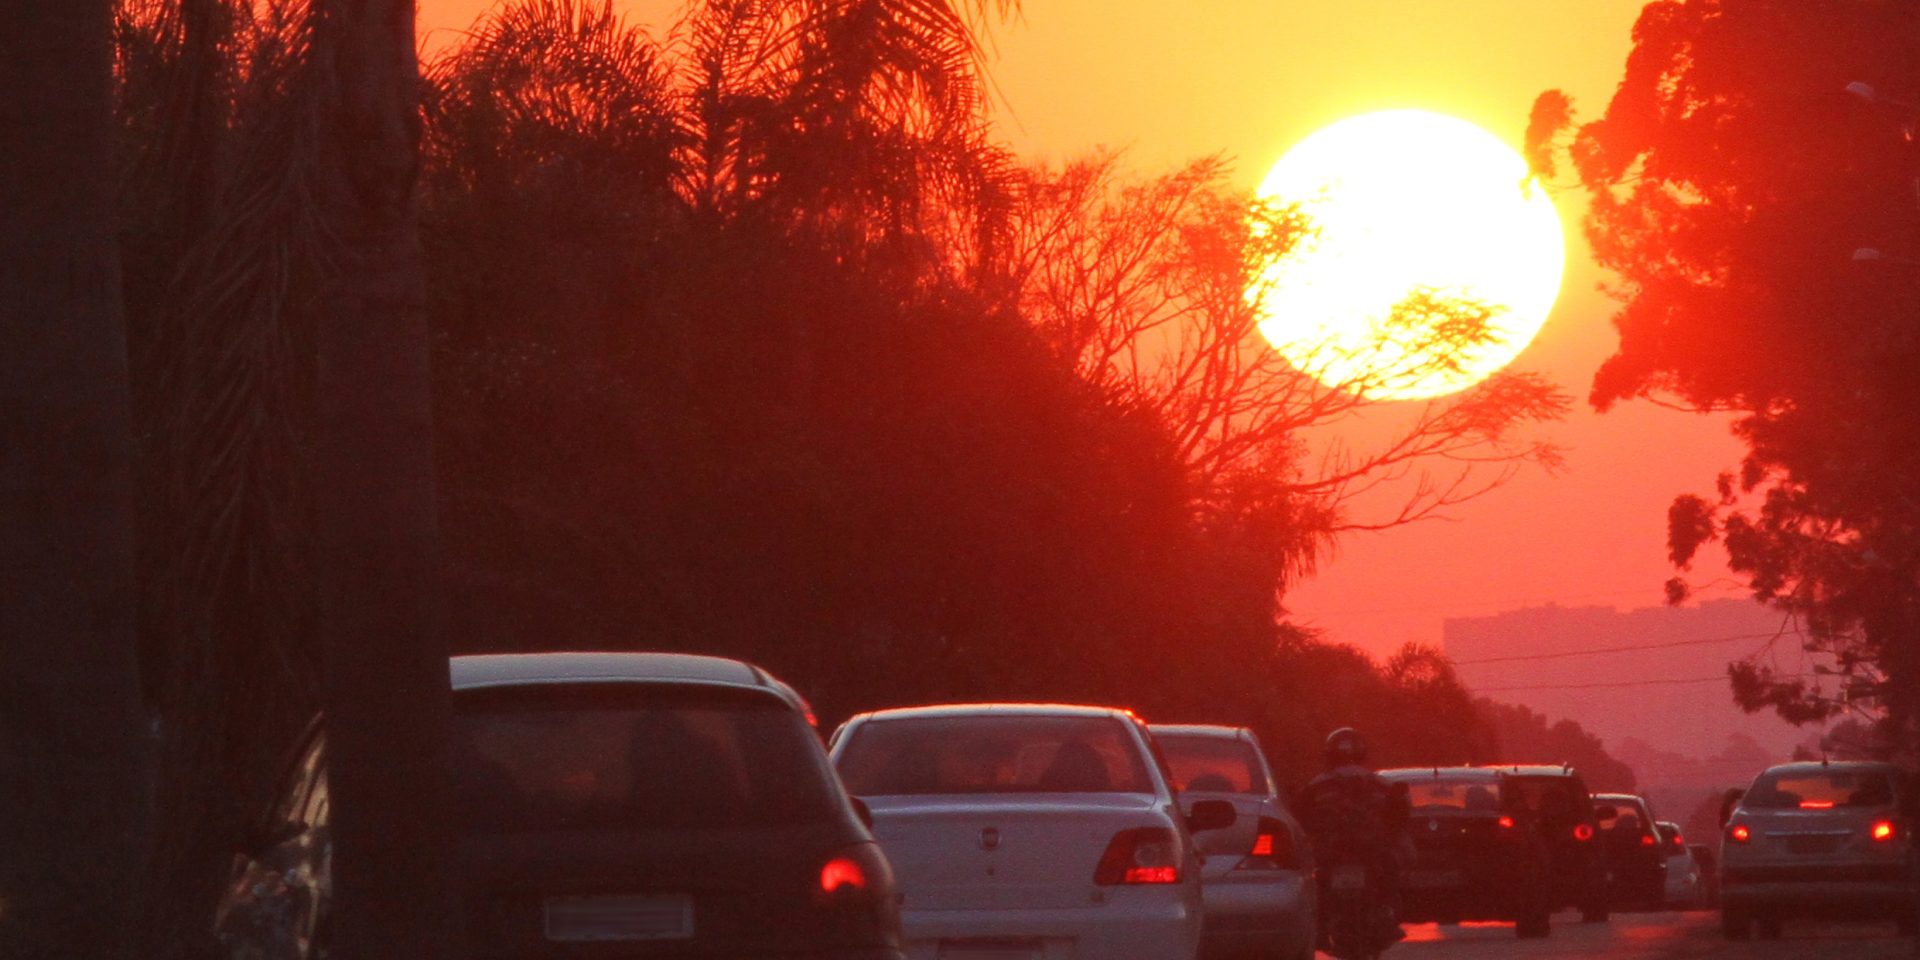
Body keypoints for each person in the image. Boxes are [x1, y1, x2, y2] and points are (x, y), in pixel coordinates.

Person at [1297, 727, 1409, 948]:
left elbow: (1298, 814)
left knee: (1316, 881)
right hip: (1363, 849)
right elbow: (1400, 813)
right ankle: (1387, 916)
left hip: (1336, 849)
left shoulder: (1316, 785)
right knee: (1391, 868)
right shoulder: (1378, 783)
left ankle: (1321, 930)